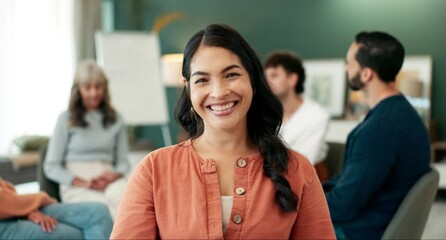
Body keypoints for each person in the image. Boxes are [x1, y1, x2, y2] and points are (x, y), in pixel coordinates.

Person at [111, 24, 335, 239]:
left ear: (253, 81)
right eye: (202, 80)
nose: (218, 92)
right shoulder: (153, 170)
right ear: (188, 89)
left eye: (231, 75)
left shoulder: (298, 170)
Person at [323, 31, 431, 239]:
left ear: (366, 74)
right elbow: (350, 183)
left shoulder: (381, 128)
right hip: (375, 221)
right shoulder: (400, 114)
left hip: (360, 231)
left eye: (349, 63)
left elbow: (344, 206)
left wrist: (299, 204)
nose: (346, 68)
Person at [44, 59, 130, 218]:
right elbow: (51, 167)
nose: (94, 93)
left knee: (128, 202)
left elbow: (123, 162)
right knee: (102, 210)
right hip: (77, 183)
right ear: (78, 90)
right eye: (87, 87)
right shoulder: (65, 119)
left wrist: (114, 175)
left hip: (109, 179)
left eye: (98, 87)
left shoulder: (117, 119)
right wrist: (82, 182)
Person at [264, 51, 331, 180]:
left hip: (304, 182)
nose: (267, 82)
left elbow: (301, 163)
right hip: (269, 177)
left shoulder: (317, 116)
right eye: (266, 76)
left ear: (292, 79)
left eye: (274, 75)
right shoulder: (264, 113)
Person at [0, 177, 113, 239]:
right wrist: (41, 197)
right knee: (76, 234)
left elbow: (7, 191)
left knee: (98, 212)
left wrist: (26, 210)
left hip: (11, 207)